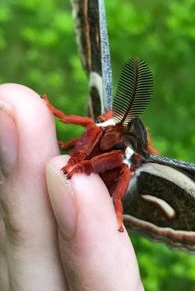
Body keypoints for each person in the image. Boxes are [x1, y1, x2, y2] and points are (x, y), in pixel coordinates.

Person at [0, 83, 144, 291]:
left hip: (106, 182)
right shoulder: (103, 126)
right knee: (94, 127)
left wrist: (117, 208)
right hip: (73, 182)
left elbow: (123, 162)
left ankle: (93, 179)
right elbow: (91, 125)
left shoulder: (124, 155)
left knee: (123, 165)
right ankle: (75, 161)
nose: (111, 134)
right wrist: (61, 117)